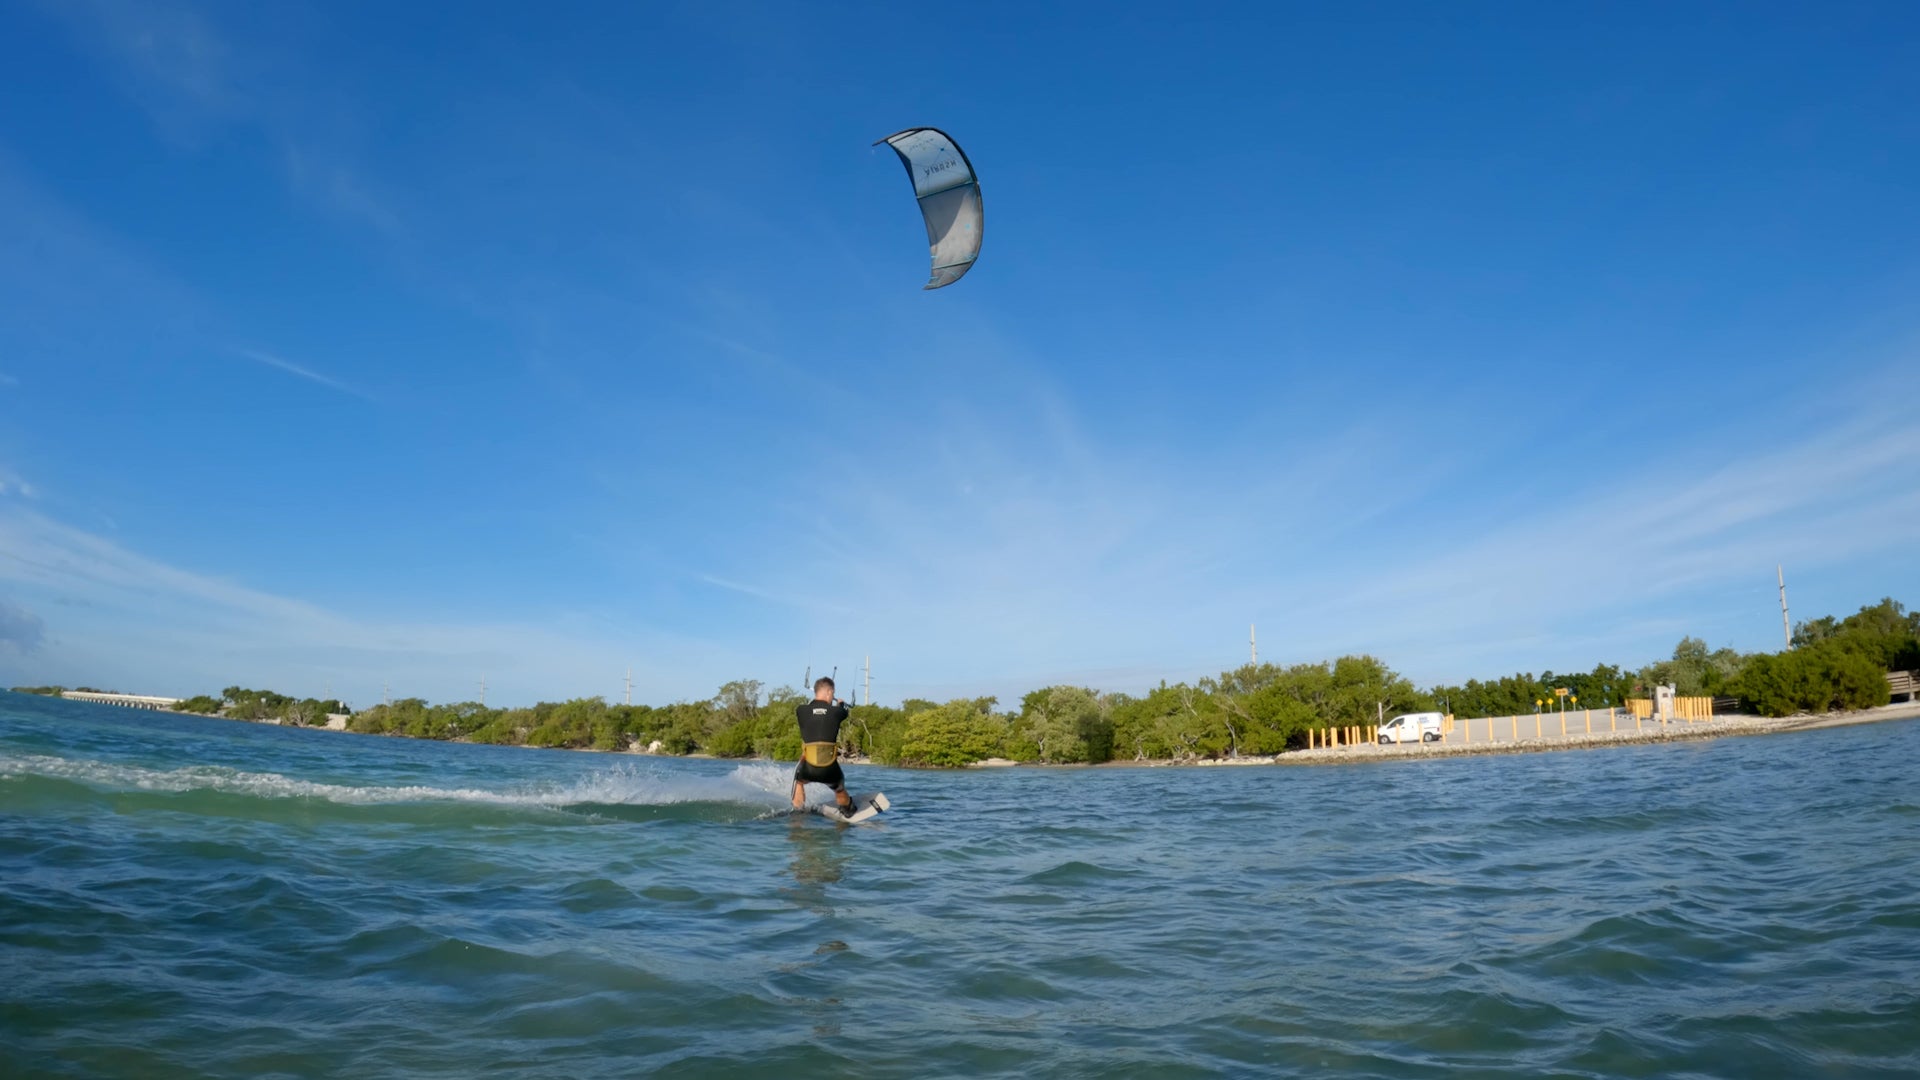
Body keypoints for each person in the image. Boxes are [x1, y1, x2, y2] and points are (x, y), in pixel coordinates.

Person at [792, 676, 857, 817]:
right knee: (839, 789)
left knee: (799, 782)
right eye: (832, 693)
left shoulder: (801, 710)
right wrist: (840, 704)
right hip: (829, 769)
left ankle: (798, 814)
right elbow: (843, 711)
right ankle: (847, 809)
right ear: (829, 692)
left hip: (809, 768)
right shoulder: (837, 712)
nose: (832, 696)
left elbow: (812, 710)